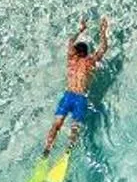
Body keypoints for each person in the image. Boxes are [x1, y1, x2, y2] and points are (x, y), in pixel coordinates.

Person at [44, 16, 110, 154]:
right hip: (80, 98)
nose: (72, 52)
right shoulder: (89, 62)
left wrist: (81, 30)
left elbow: (70, 41)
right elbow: (103, 48)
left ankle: (47, 149)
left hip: (68, 96)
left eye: (74, 51)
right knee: (74, 127)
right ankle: (67, 151)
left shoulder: (71, 61)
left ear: (78, 52)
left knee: (57, 124)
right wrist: (103, 31)